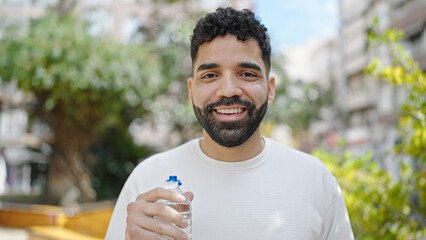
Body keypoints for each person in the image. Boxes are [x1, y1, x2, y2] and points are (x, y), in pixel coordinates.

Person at [106, 7, 354, 240]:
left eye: (247, 74)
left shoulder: (316, 181)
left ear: (269, 89)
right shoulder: (146, 180)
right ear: (191, 91)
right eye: (210, 75)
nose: (228, 90)